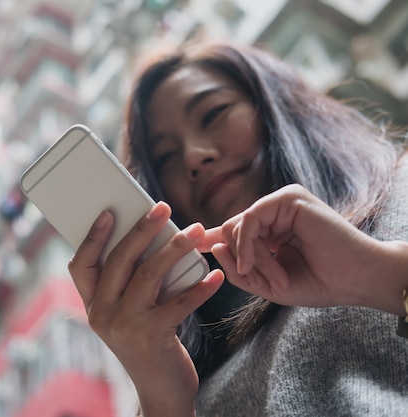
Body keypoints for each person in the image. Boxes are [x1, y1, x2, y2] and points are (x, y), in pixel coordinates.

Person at [67, 40, 408, 417]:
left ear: (275, 104)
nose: (194, 156)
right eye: (166, 157)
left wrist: (372, 273)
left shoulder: (401, 186)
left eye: (213, 114)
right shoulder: (178, 383)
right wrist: (163, 403)